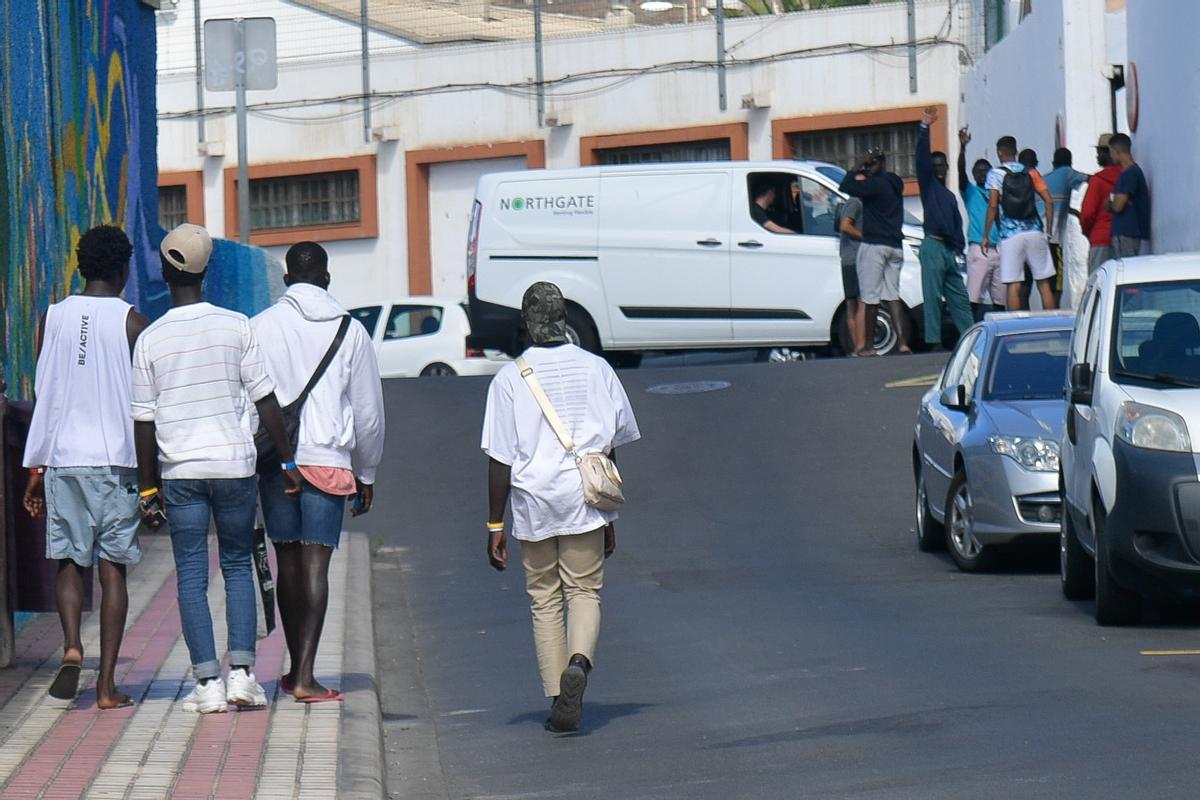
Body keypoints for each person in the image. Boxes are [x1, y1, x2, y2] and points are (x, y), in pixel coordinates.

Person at [132, 223, 302, 714]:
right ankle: (244, 676)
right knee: (235, 565)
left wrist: (148, 490)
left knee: (189, 574)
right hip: (235, 467)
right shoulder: (237, 325)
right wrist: (287, 460)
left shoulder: (151, 338)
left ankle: (206, 683)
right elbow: (265, 399)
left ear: (166, 272)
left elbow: (143, 421)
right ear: (206, 271)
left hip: (181, 471)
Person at [483, 282, 640, 734]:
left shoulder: (509, 378)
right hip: (584, 499)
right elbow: (609, 444)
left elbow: (499, 457)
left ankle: (557, 697)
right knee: (585, 592)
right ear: (564, 320)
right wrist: (609, 513)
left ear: (527, 323)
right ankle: (579, 663)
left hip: (534, 504)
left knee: (544, 599)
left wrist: (495, 524)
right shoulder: (597, 368)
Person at [20, 225, 149, 709]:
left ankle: (72, 644)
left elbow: (46, 395)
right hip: (117, 462)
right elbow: (145, 406)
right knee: (112, 570)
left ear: (80, 266)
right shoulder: (134, 323)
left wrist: (36, 468)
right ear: (123, 268)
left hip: (64, 460)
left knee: (70, 561)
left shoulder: (51, 319)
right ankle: (107, 686)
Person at [251, 242, 386, 703]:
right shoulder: (351, 331)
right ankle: (306, 674)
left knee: (286, 560)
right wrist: (366, 472)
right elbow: (368, 413)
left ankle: (293, 668)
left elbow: (247, 398)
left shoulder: (260, 327)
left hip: (276, 460)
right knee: (317, 563)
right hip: (327, 458)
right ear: (326, 278)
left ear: (287, 279)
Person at [838, 147, 911, 355]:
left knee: (870, 297)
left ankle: (868, 346)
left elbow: (846, 185)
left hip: (875, 245)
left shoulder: (874, 185)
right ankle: (903, 343)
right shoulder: (894, 183)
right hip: (895, 245)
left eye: (871, 165)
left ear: (876, 165)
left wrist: (859, 162)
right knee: (893, 296)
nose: (868, 170)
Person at [914, 107, 972, 349]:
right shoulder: (928, 186)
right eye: (935, 165)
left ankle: (970, 337)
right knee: (933, 297)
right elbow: (921, 159)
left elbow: (956, 224)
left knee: (959, 296)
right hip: (932, 245)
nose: (939, 169)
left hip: (948, 250)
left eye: (942, 165)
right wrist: (924, 128)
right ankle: (934, 341)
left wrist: (958, 248)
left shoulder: (948, 195)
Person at [982, 135, 1058, 311]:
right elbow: (1049, 201)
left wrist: (986, 235)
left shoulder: (995, 174)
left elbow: (993, 205)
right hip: (1035, 231)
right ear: (1016, 151)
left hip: (1010, 235)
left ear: (999, 152)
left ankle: (1015, 329)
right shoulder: (1031, 172)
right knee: (1044, 284)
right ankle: (1054, 325)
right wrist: (1047, 230)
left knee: (1013, 285)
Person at [958, 128, 1003, 320]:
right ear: (974, 174)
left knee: (1000, 300)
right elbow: (960, 171)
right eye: (979, 171)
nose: (983, 173)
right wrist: (962, 148)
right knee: (974, 298)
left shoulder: (996, 192)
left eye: (987, 170)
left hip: (999, 248)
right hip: (979, 248)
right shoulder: (970, 191)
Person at [1042, 148, 1088, 302]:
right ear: (1069, 162)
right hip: (1053, 238)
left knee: (1041, 281)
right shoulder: (1067, 173)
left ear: (1053, 163)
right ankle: (1053, 316)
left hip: (1036, 235)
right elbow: (1090, 179)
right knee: (1056, 283)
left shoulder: (1044, 179)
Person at [1080, 134, 1121, 271]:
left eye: (1099, 153)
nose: (1097, 157)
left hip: (1101, 237)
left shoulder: (1097, 180)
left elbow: (1087, 213)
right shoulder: (1126, 176)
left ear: (1109, 153)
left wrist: (1089, 232)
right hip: (1123, 237)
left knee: (1099, 282)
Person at [1107, 133, 1151, 257]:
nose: (1110, 155)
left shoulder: (1130, 173)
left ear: (1117, 151)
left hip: (1127, 232)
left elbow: (1118, 205)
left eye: (1111, 151)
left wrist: (1111, 204)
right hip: (1128, 232)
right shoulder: (1129, 173)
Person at [836, 195, 867, 355]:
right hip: (856, 257)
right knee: (860, 302)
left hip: (848, 258)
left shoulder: (851, 201)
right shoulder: (855, 201)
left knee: (852, 304)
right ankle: (860, 346)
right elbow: (845, 226)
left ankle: (857, 348)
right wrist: (867, 237)